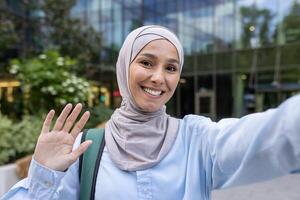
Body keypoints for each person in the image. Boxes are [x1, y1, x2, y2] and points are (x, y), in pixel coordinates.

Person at [1, 25, 300, 200]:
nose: (159, 77)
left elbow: (274, 134)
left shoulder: (197, 141)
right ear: (124, 66)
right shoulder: (84, 150)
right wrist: (44, 174)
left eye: (171, 68)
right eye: (146, 62)